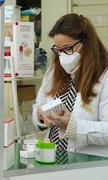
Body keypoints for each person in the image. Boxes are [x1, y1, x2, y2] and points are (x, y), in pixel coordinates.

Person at [32, 13, 108, 156]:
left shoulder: (104, 75)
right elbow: (39, 105)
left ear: (86, 43)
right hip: (52, 158)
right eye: (58, 50)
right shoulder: (54, 71)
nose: (62, 56)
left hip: (88, 163)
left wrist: (72, 126)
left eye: (68, 48)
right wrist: (40, 115)